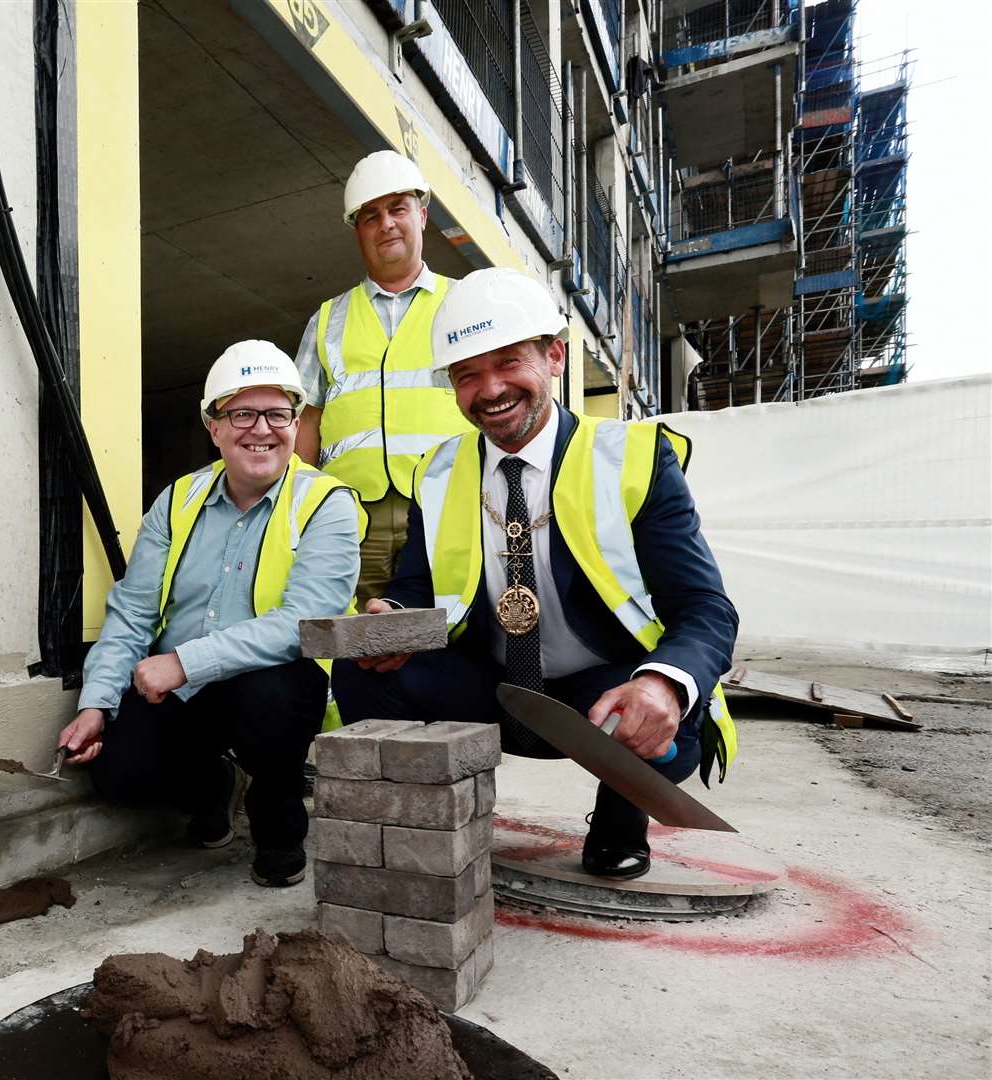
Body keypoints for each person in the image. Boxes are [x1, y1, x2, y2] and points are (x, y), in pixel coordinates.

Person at [332, 268, 739, 880]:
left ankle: (619, 818)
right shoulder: (436, 473)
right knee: (360, 672)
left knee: (675, 717)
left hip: (597, 688)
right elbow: (416, 585)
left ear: (554, 357)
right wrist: (393, 617)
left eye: (508, 363)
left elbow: (705, 607)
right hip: (490, 681)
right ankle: (428, 810)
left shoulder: (630, 458)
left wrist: (661, 684)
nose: (489, 389)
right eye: (467, 373)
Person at [58, 341, 363, 888]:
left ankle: (279, 826)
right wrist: (97, 703)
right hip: (186, 692)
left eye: (277, 414)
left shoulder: (327, 502)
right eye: (242, 413)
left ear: (296, 423)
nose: (261, 429)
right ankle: (214, 787)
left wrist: (184, 661)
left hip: (274, 685)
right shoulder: (177, 501)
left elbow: (307, 622)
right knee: (119, 774)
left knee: (270, 702)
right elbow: (132, 612)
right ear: (213, 426)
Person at [294, 150, 475, 606]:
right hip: (352, 521)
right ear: (358, 230)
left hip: (447, 507)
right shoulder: (327, 319)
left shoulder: (464, 304)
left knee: (449, 629)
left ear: (423, 215)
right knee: (354, 644)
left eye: (398, 209)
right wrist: (297, 508)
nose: (387, 224)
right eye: (371, 215)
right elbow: (306, 422)